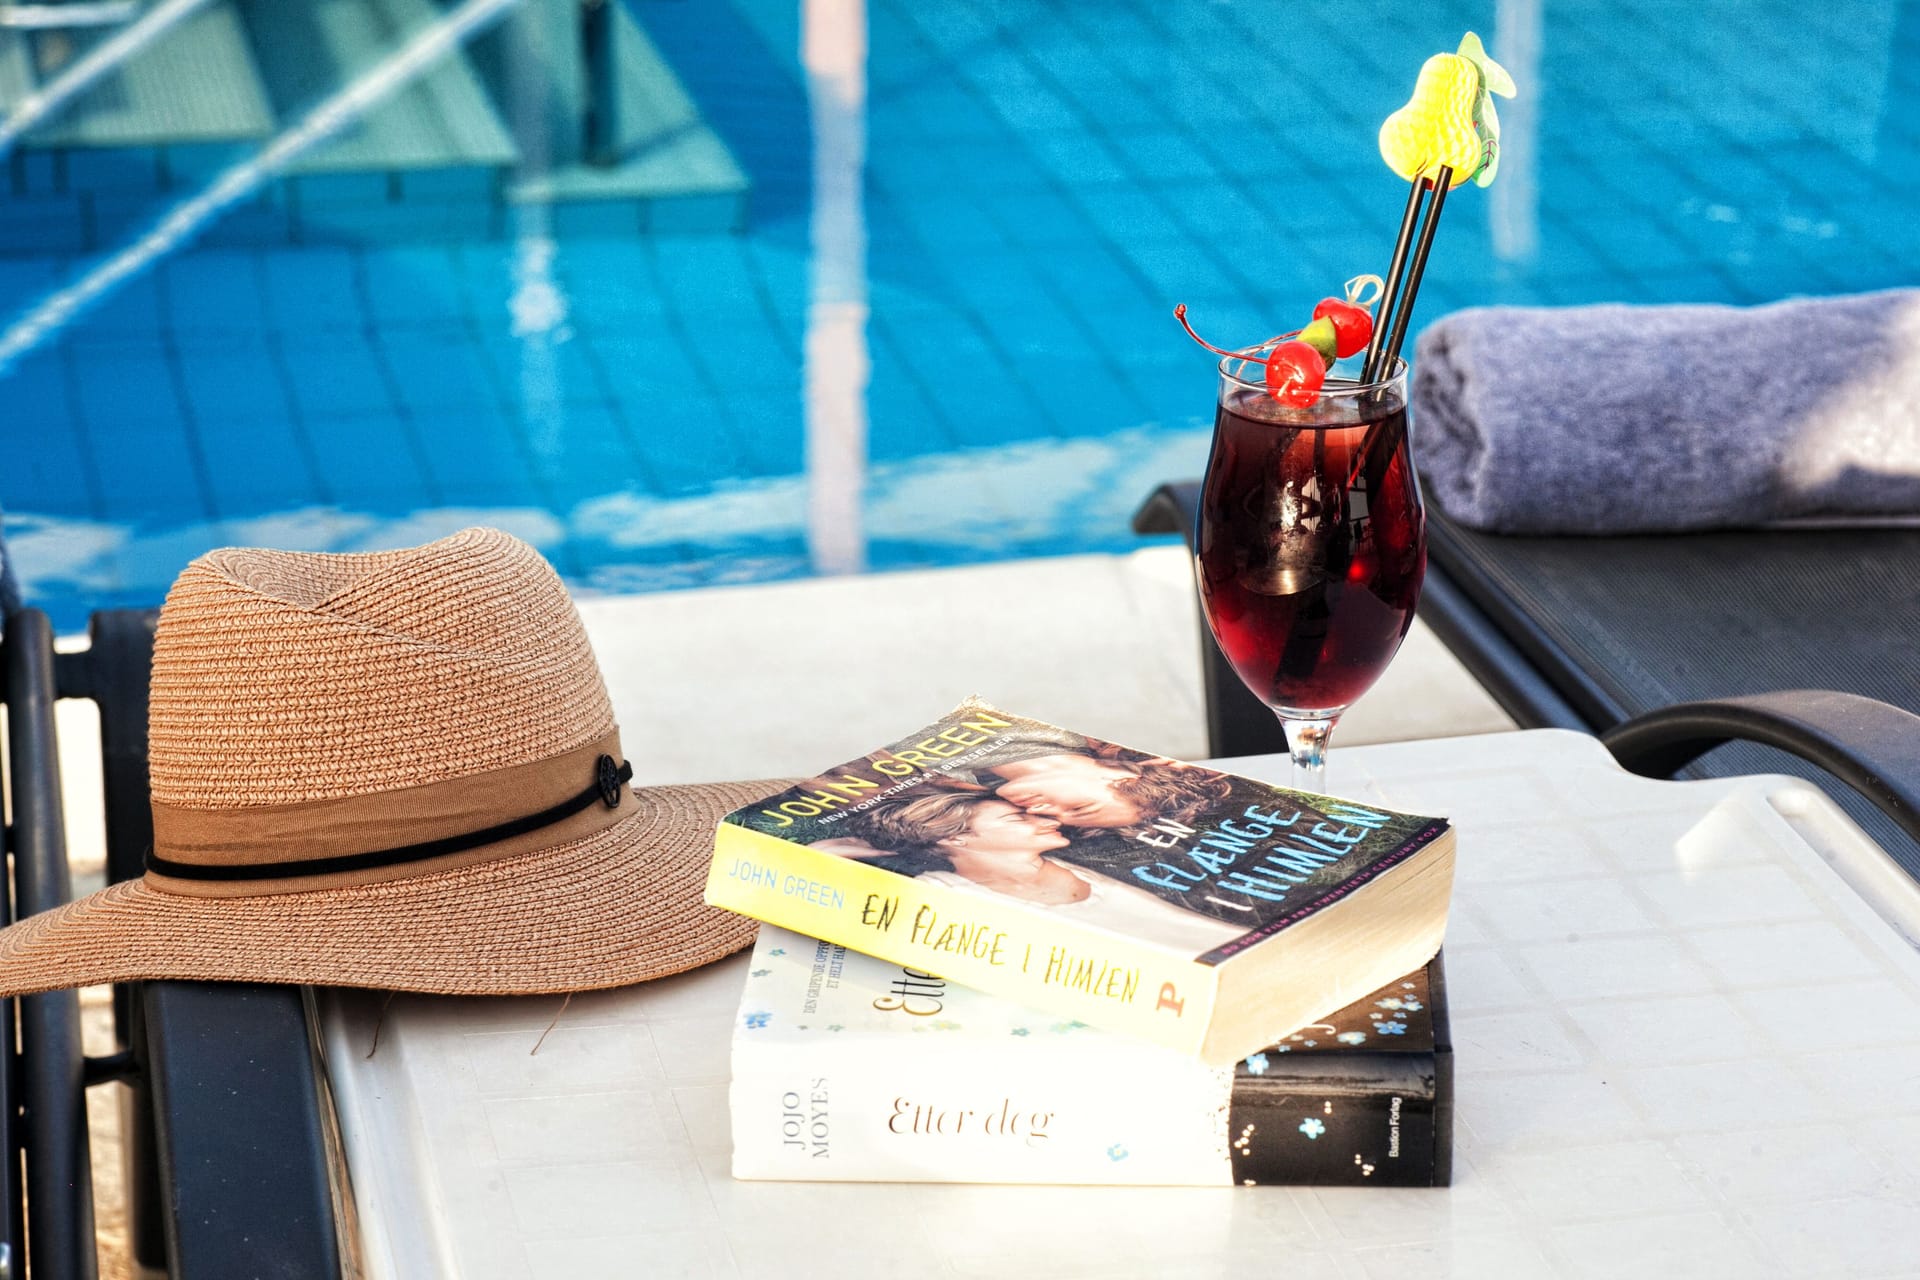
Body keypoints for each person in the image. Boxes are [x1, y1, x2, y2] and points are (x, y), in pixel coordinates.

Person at [853, 792, 1244, 954]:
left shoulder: (1100, 858)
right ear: (958, 839)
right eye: (1016, 819)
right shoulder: (943, 895)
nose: (1044, 819)